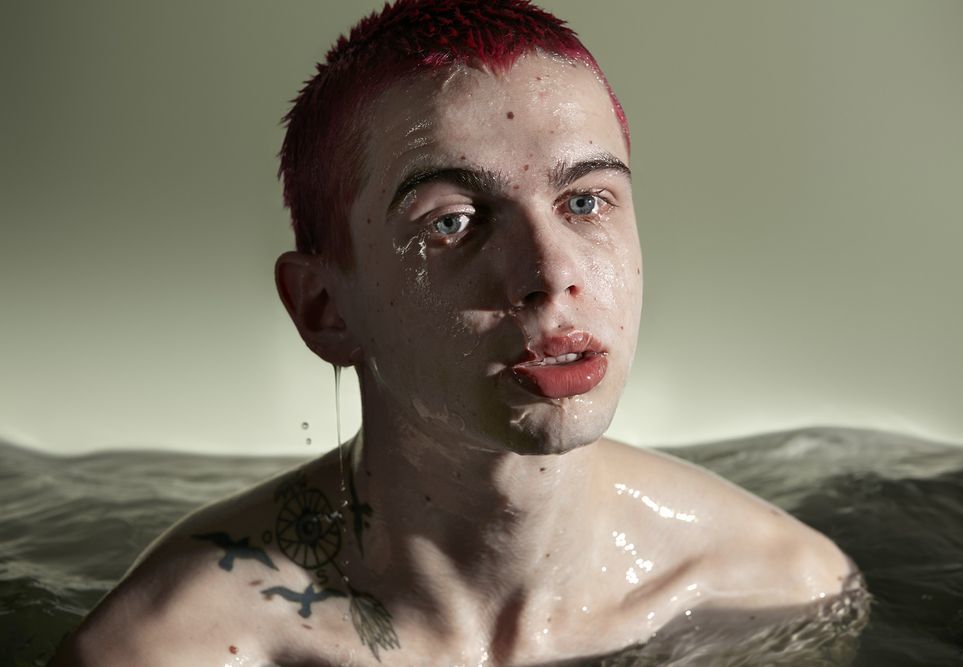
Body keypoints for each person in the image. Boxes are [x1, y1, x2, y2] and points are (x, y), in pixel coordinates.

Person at [52, 1, 864, 665]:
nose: (550, 272)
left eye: (586, 201)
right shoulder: (176, 647)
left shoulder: (777, 592)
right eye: (454, 221)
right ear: (326, 310)